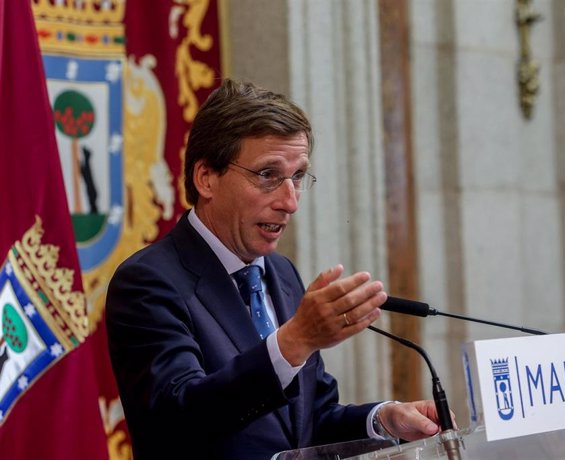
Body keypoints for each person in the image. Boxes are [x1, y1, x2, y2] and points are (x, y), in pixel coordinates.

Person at [106, 78, 445, 459]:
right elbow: (179, 419)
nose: (290, 202)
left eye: (298, 176)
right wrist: (295, 340)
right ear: (206, 178)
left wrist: (382, 420)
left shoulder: (281, 274)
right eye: (268, 175)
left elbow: (308, 423)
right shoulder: (149, 282)